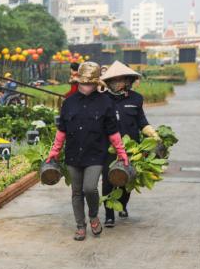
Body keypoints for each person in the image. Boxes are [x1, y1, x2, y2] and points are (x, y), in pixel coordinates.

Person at [47, 62, 129, 241]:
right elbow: (62, 130)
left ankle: (93, 215)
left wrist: (121, 153)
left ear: (96, 83)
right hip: (73, 154)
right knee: (76, 192)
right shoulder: (69, 102)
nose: (86, 87)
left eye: (90, 83)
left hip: (95, 154)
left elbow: (113, 132)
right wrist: (54, 151)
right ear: (78, 81)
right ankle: (80, 226)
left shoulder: (105, 102)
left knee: (90, 188)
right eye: (83, 83)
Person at [100, 61, 161, 227]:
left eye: (122, 79)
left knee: (127, 180)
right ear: (109, 82)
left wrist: (153, 134)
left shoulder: (136, 99)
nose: (119, 83)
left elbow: (142, 122)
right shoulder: (102, 100)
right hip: (108, 147)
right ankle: (109, 215)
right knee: (107, 181)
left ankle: (123, 204)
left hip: (132, 148)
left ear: (128, 81)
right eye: (115, 80)